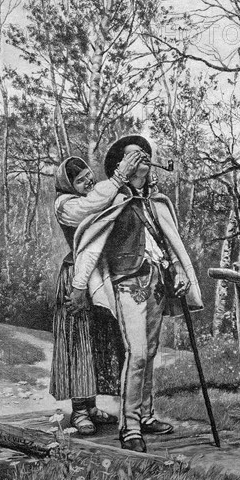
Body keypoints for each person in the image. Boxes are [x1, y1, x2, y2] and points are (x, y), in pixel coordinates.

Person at [69, 135, 204, 452]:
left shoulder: (156, 203)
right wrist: (79, 284)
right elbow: (90, 246)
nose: (144, 156)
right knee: (138, 354)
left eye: (146, 153)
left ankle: (145, 415)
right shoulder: (112, 199)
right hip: (127, 283)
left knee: (151, 352)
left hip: (157, 282)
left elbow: (170, 246)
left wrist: (181, 273)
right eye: (134, 154)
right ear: (120, 165)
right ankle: (129, 427)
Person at [49, 152, 142, 435]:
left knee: (97, 339)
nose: (88, 179)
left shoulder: (94, 194)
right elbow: (93, 203)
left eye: (88, 173)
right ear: (68, 187)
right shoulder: (65, 205)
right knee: (78, 342)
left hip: (97, 276)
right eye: (79, 180)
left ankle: (90, 406)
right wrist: (118, 177)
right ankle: (78, 411)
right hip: (76, 279)